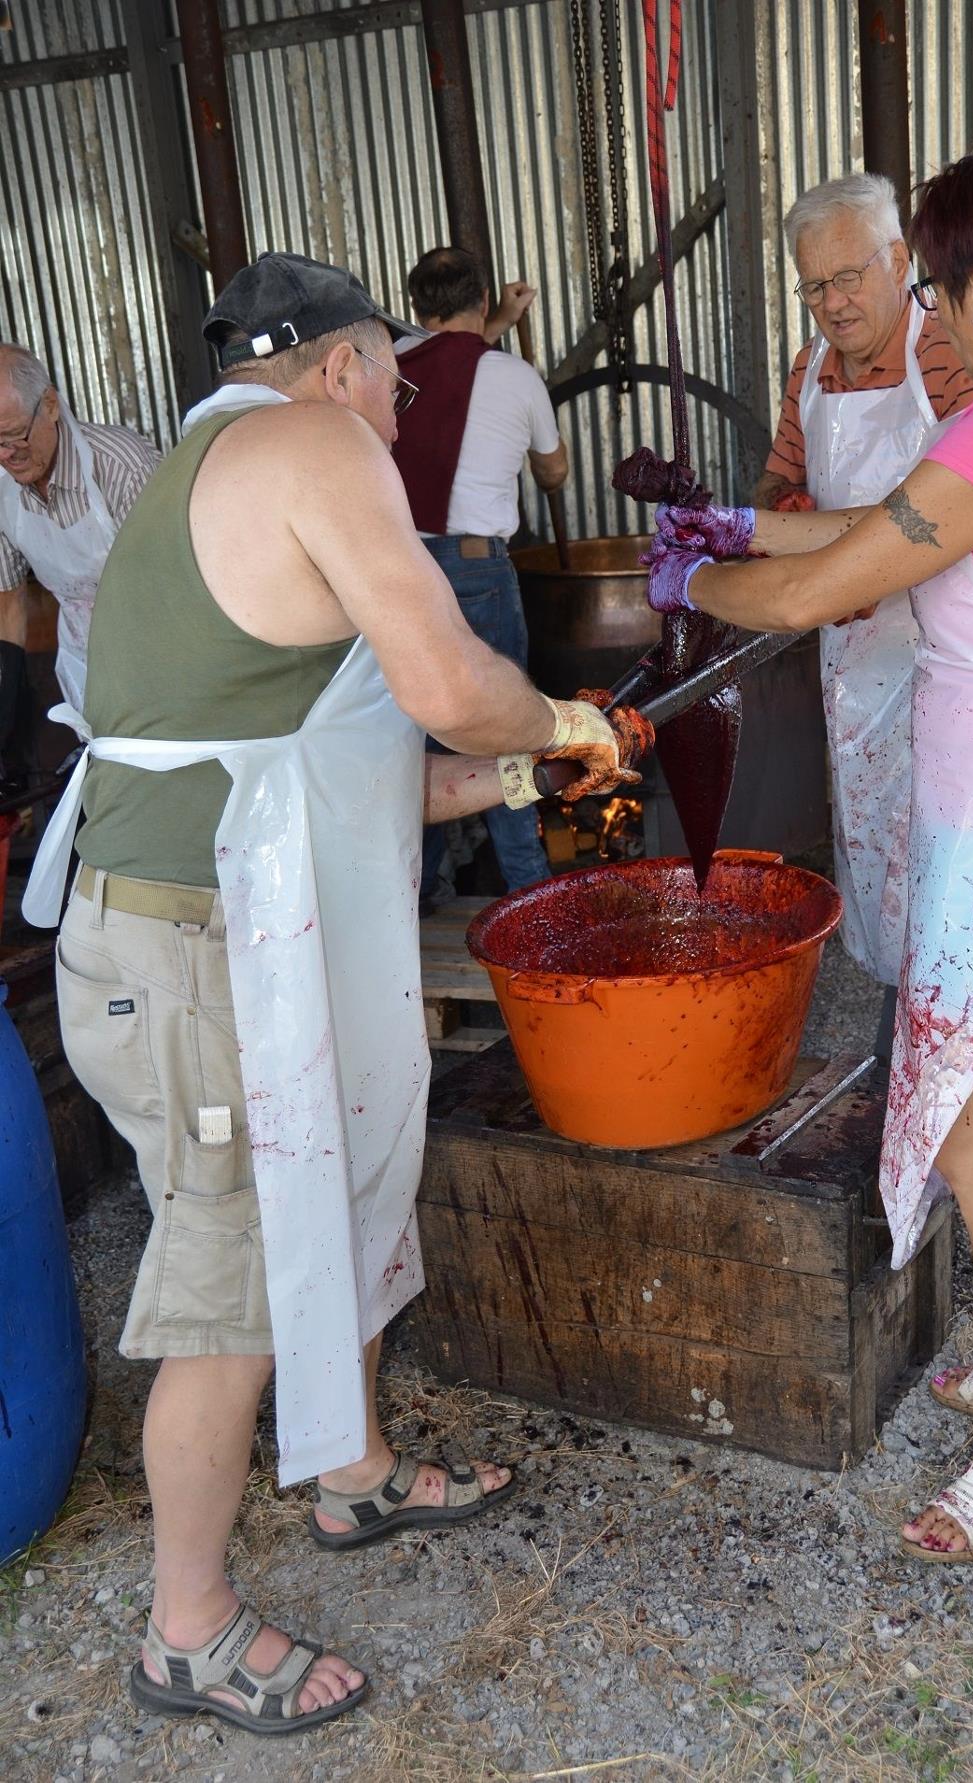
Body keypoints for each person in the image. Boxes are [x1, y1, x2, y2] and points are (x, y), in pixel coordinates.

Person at [23, 251, 647, 1733]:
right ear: (345, 364)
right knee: (228, 1277)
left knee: (350, 1177)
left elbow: (365, 760)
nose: (393, 408)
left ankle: (352, 1472)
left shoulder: (205, 465)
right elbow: (448, 678)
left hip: (225, 921)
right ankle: (186, 1627)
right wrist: (563, 713)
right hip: (187, 948)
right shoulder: (306, 445)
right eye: (393, 379)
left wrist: (529, 768)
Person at [645, 135, 973, 1562]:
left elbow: (831, 582)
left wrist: (703, 575)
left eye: (943, 287)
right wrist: (741, 515)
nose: (932, 316)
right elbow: (872, 526)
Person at [753, 175, 973, 991]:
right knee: (873, 837)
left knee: (945, 860)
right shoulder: (809, 368)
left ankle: (942, 1035)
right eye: (813, 284)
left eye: (848, 277)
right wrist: (785, 512)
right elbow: (777, 484)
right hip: (850, 655)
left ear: (897, 260)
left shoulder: (945, 352)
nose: (832, 303)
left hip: (943, 655)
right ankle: (901, 1024)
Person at [392, 246, 569, 903]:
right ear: (483, 296)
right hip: (477, 573)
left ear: (414, 307)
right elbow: (553, 472)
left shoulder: (389, 371)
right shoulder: (514, 377)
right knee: (504, 728)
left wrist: (496, 321)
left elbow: (446, 366)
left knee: (415, 739)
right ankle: (530, 892)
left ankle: (419, 895)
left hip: (399, 578)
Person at [0, 344, 160, 748]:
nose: (6, 457)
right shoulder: (1, 486)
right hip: (81, 657)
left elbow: (170, 584)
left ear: (50, 405)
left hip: (160, 645)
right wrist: (6, 706)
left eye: (13, 437)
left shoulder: (121, 465)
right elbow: (9, 601)